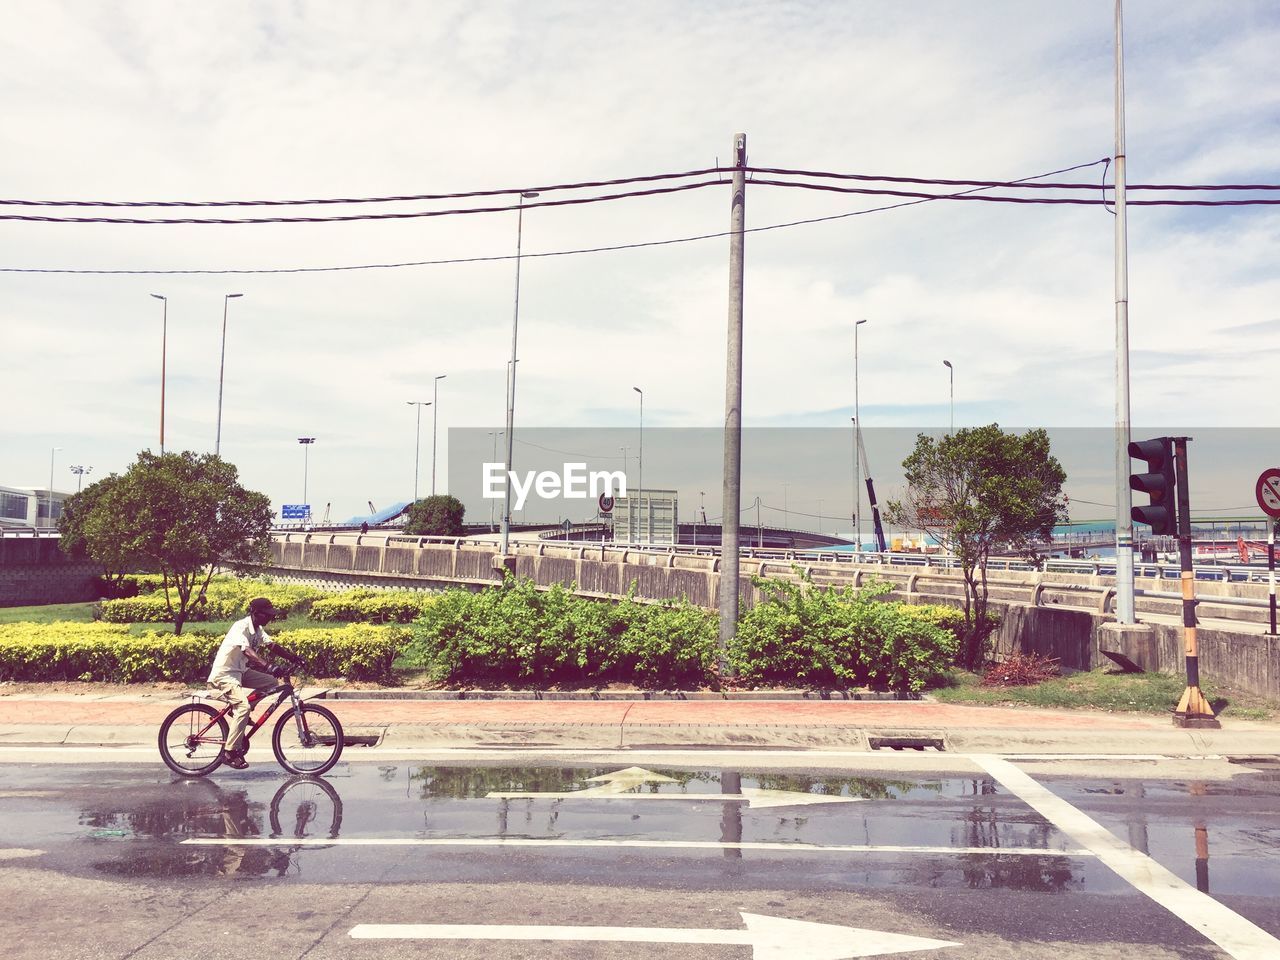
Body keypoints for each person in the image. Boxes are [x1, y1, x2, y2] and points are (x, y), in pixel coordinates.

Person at [207, 597, 294, 770]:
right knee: (243, 708)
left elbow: (272, 645)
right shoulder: (240, 627)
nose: (270, 618)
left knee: (271, 682)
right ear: (255, 613)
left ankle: (239, 710)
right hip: (225, 674)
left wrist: (293, 657)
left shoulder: (258, 629)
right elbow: (246, 650)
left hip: (241, 672)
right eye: (267, 615)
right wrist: (268, 665)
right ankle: (229, 752)